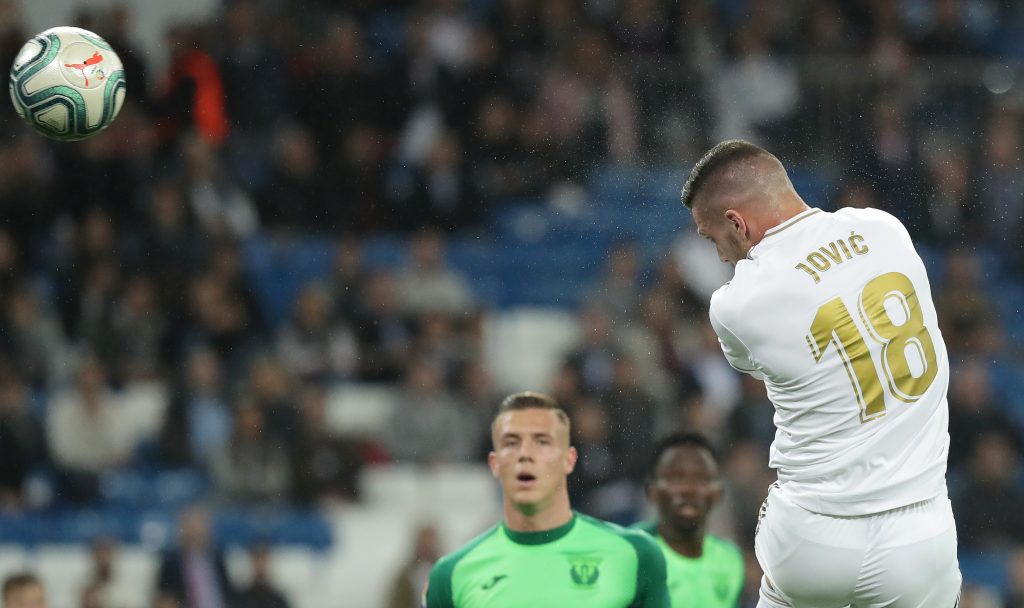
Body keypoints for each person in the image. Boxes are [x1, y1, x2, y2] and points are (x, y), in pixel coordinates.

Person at [680, 140, 961, 607]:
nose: (722, 257)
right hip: (919, 534)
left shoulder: (736, 305)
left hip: (814, 537)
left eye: (713, 240)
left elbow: (752, 363)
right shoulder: (885, 228)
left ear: (737, 222)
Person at [424, 391, 669, 607]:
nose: (525, 455)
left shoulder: (636, 554)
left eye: (542, 442)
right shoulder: (452, 574)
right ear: (495, 464)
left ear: (569, 460)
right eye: (511, 442)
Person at [635, 432, 744, 608]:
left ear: (719, 493)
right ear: (651, 490)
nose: (689, 489)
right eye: (676, 478)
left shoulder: (731, 559)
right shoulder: (631, 552)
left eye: (702, 479)